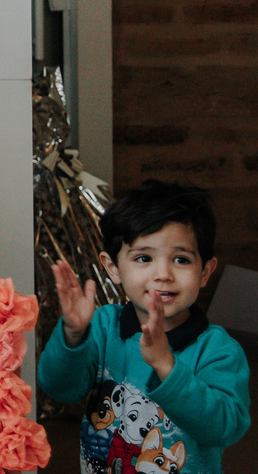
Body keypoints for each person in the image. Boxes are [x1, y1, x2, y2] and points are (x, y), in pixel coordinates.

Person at [37, 180, 250, 474]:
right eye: (144, 258)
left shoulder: (218, 350)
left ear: (205, 272)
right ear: (113, 268)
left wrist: (167, 366)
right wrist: (73, 335)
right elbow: (59, 388)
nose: (163, 274)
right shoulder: (103, 326)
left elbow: (224, 429)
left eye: (181, 259)